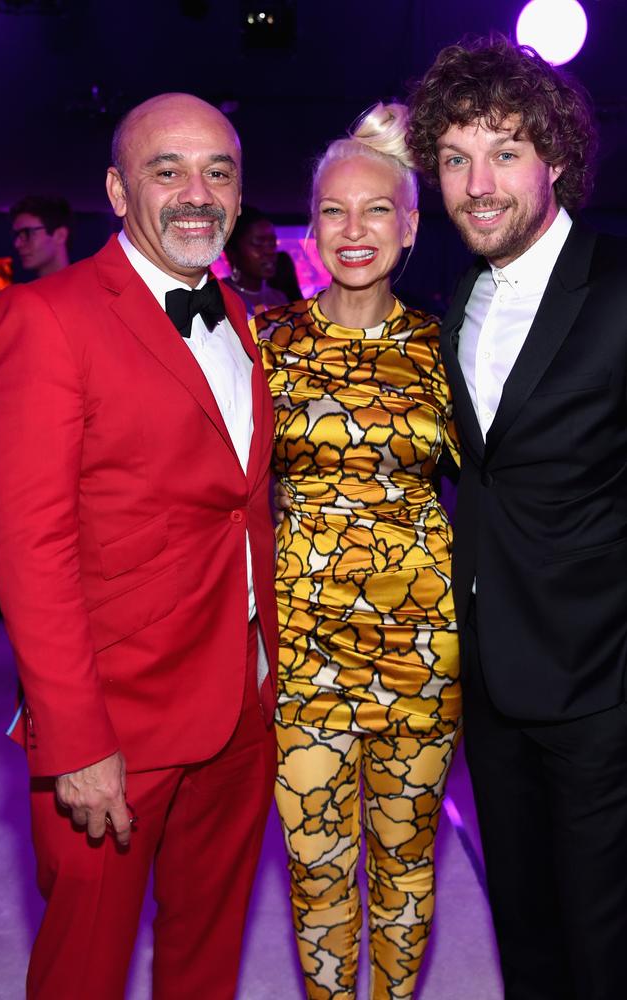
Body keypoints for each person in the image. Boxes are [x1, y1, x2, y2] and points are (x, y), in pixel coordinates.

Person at [0, 92, 278, 1000]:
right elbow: (29, 547)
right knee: (84, 967)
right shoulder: (46, 318)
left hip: (241, 700)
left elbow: (238, 506)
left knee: (207, 957)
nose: (198, 192)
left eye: (218, 171)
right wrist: (74, 738)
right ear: (117, 190)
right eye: (167, 169)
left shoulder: (245, 317)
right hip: (114, 722)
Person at [406, 35, 627, 1000]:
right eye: (454, 158)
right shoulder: (456, 301)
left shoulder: (619, 288)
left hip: (603, 685)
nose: (476, 183)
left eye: (502, 150)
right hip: (490, 680)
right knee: (524, 930)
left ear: (558, 160)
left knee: (607, 941)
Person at [253, 103, 461, 999]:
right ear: (311, 223)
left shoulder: (447, 349)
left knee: (408, 871)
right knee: (320, 872)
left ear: (411, 225)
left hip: (425, 653)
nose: (354, 230)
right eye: (333, 211)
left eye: (377, 209)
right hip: (303, 657)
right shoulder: (270, 346)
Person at [224, 204, 287, 316]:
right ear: (232, 251)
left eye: (272, 243)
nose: (269, 251)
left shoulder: (279, 298)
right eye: (258, 243)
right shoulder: (218, 296)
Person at [10, 195, 72, 277]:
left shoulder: (89, 286)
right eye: (17, 235)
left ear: (60, 235)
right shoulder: (23, 289)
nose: (17, 244)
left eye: (27, 233)